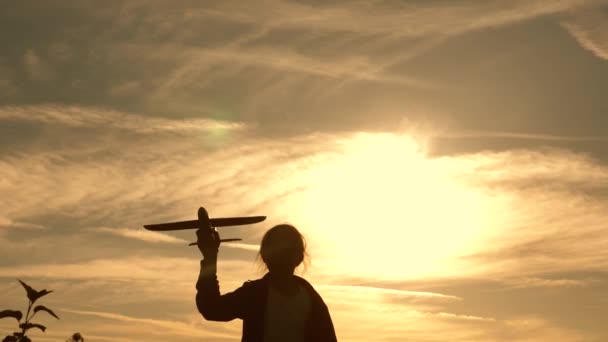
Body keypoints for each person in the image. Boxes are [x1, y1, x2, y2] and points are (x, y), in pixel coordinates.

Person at [195, 210, 337, 342]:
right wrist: (210, 256)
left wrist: (210, 256)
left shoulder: (312, 301)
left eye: (287, 249)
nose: (281, 254)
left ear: (298, 257)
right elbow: (212, 308)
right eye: (275, 248)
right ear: (265, 256)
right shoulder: (254, 294)